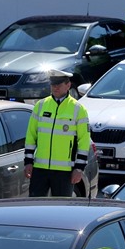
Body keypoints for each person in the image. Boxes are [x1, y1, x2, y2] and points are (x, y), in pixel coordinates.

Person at [24, 69, 90, 197]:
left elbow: (84, 141)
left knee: (60, 209)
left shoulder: (78, 109)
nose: (55, 88)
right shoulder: (41, 105)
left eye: (58, 84)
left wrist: (79, 168)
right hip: (40, 169)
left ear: (68, 85)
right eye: (53, 84)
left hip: (64, 171)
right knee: (34, 208)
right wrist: (28, 161)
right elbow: (31, 136)